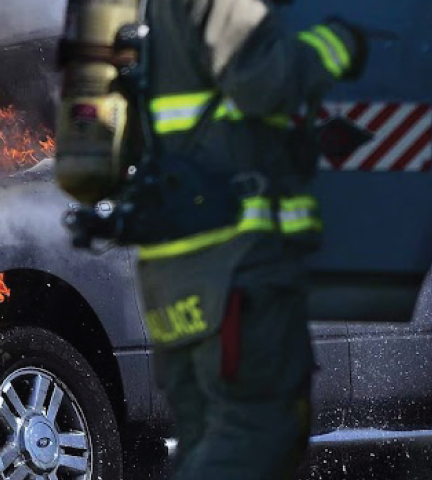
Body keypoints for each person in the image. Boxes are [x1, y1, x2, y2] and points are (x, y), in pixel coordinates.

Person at [122, 1, 366, 478]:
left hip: (172, 274)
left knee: (207, 440)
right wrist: (338, 45)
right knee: (260, 435)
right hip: (236, 268)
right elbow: (264, 83)